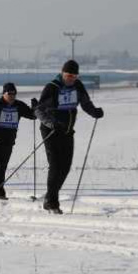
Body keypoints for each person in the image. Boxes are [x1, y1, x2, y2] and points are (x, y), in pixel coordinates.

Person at [35, 60, 104, 214]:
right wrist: (51, 123)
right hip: (51, 131)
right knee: (55, 165)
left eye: (74, 76)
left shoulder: (78, 86)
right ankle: (52, 202)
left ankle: (50, 196)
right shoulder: (52, 87)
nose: (71, 79)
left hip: (67, 131)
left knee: (65, 167)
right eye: (69, 75)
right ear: (62, 73)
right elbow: (39, 110)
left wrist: (95, 112)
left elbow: (86, 103)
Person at [0, 82, 37, 199]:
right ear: (4, 94)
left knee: (2, 166)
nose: (12, 96)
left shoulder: (18, 106)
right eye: (9, 93)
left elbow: (32, 116)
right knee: (0, 165)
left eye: (14, 93)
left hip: (9, 141)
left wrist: (35, 107)